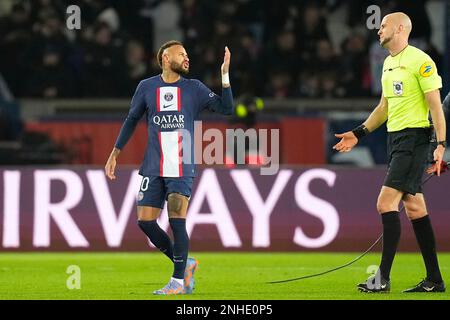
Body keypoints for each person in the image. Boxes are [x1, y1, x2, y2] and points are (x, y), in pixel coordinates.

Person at [104, 40, 234, 295]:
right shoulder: (146, 87)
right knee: (146, 222)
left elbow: (227, 108)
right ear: (165, 58)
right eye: (181, 54)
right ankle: (186, 263)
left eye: (187, 54)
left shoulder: (194, 88)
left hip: (181, 166)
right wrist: (115, 152)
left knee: (177, 220)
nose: (187, 58)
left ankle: (177, 282)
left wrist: (225, 75)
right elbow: (131, 120)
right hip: (153, 166)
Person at [333, 12, 446, 293]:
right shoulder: (388, 63)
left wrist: (440, 145)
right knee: (415, 207)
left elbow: (436, 108)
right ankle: (435, 280)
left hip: (415, 139)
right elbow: (383, 108)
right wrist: (358, 133)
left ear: (399, 29)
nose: (378, 30)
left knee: (385, 203)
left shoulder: (421, 61)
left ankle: (382, 278)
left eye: (383, 26)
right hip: (395, 139)